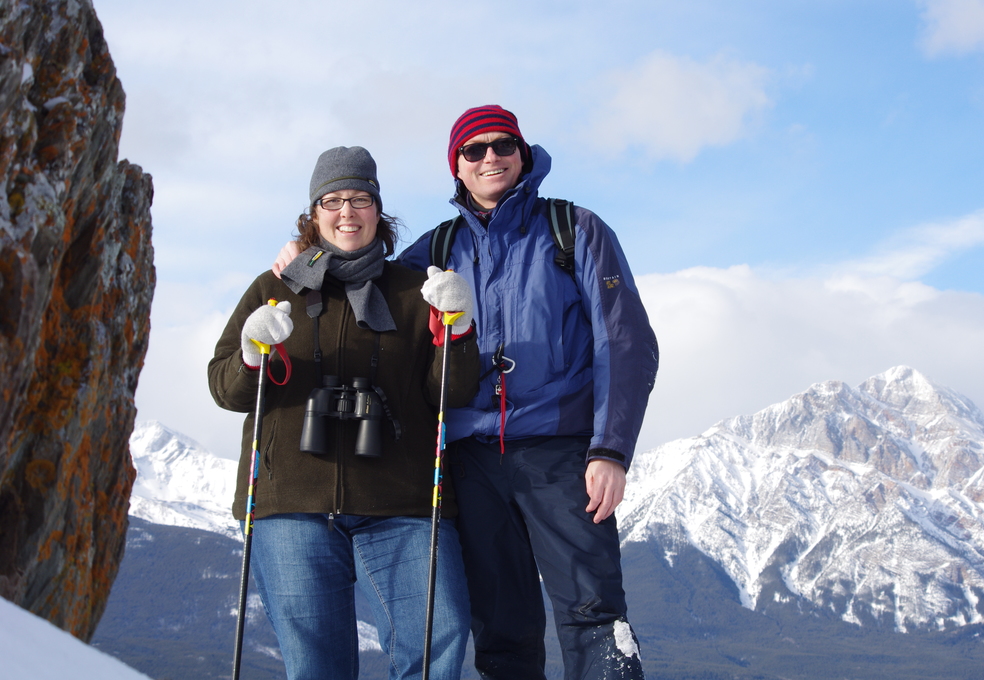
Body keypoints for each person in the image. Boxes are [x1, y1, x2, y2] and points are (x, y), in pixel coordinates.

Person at [273, 107, 658, 680]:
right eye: (472, 151)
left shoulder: (573, 229)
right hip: (469, 460)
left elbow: (624, 343)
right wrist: (306, 263)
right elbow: (361, 285)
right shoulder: (435, 246)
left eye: (502, 145)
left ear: (523, 155)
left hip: (561, 453)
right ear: (456, 166)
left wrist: (610, 450)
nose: (489, 158)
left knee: (594, 614)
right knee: (501, 628)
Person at [210, 145, 479, 680]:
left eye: (359, 198)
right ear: (313, 215)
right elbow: (226, 390)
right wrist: (250, 354)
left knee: (436, 649)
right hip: (291, 502)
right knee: (316, 669)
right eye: (332, 200)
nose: (347, 212)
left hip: (402, 498)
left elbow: (451, 393)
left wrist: (460, 327)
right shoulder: (274, 289)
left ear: (379, 210)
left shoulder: (414, 290)